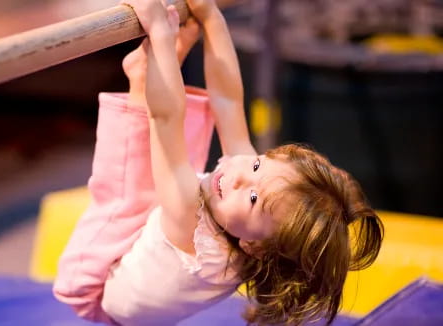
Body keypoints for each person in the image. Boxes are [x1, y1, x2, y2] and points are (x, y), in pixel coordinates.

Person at [54, 0, 384, 325]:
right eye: (257, 167)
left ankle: (147, 77)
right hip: (150, 260)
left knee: (133, 187)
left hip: (95, 286)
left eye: (254, 199)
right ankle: (145, 77)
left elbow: (166, 118)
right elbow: (227, 99)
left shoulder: (193, 231)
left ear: (254, 247)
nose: (241, 178)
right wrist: (212, 17)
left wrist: (160, 35)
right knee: (189, 163)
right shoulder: (249, 214)